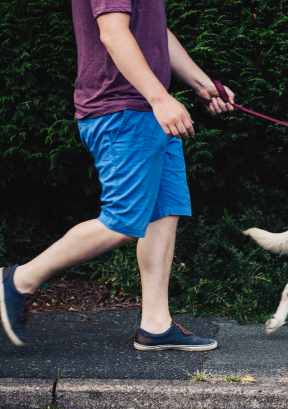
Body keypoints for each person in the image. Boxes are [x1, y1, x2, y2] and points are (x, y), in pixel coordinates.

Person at [0, 0, 235, 351]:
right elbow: (113, 33)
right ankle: (17, 281)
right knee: (123, 221)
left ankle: (156, 325)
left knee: (164, 212)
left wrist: (202, 84)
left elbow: (156, 34)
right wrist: (160, 99)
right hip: (121, 109)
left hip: (146, 109)